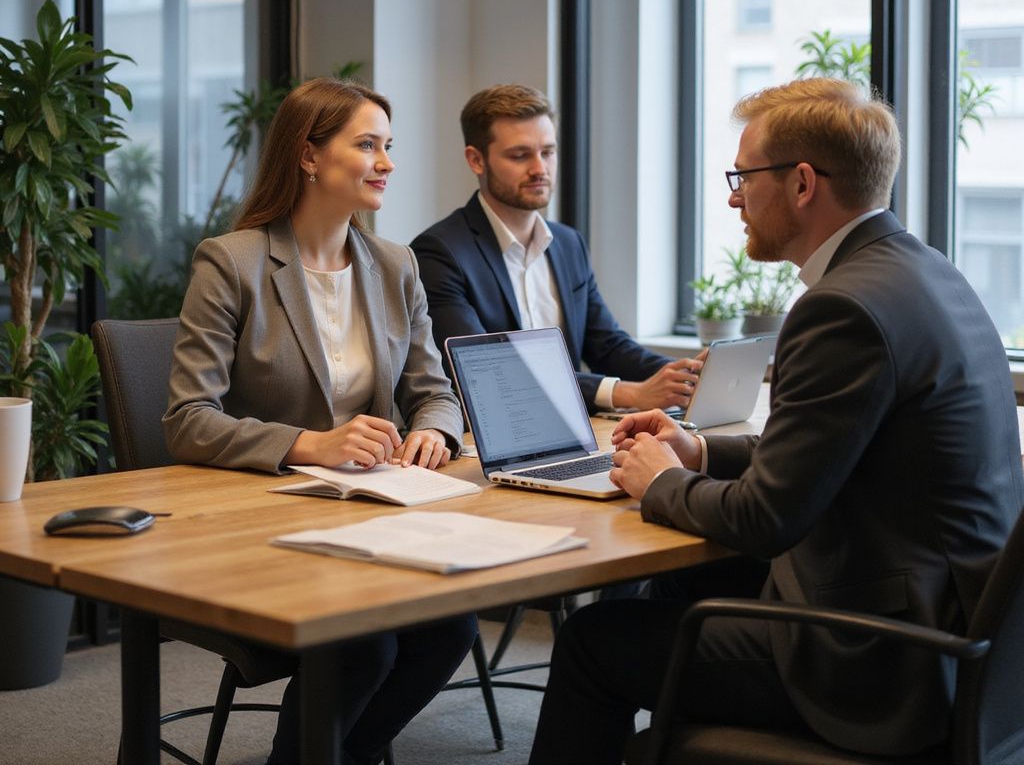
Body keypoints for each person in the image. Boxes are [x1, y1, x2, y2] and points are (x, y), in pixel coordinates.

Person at [528, 77, 1024, 764]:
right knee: (678, 587)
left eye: (742, 176)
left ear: (801, 184)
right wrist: (700, 455)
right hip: (957, 634)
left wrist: (660, 482)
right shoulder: (925, 272)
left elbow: (768, 520)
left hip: (880, 658)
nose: (733, 197)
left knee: (593, 642)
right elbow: (835, 450)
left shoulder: (841, 309)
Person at [163, 78, 476, 765]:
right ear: (308, 156)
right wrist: (309, 443)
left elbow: (435, 389)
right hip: (261, 525)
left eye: (388, 145)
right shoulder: (233, 262)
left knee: (451, 625)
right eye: (367, 144)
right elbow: (187, 419)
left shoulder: (395, 266)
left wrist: (435, 430)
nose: (388, 163)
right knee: (365, 643)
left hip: (373, 514)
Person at [411, 84, 701, 414]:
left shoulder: (568, 243)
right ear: (476, 160)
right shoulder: (439, 252)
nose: (540, 169)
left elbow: (607, 346)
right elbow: (489, 370)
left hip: (578, 432)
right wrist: (627, 393)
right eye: (520, 155)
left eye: (548, 152)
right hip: (490, 441)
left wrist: (686, 374)